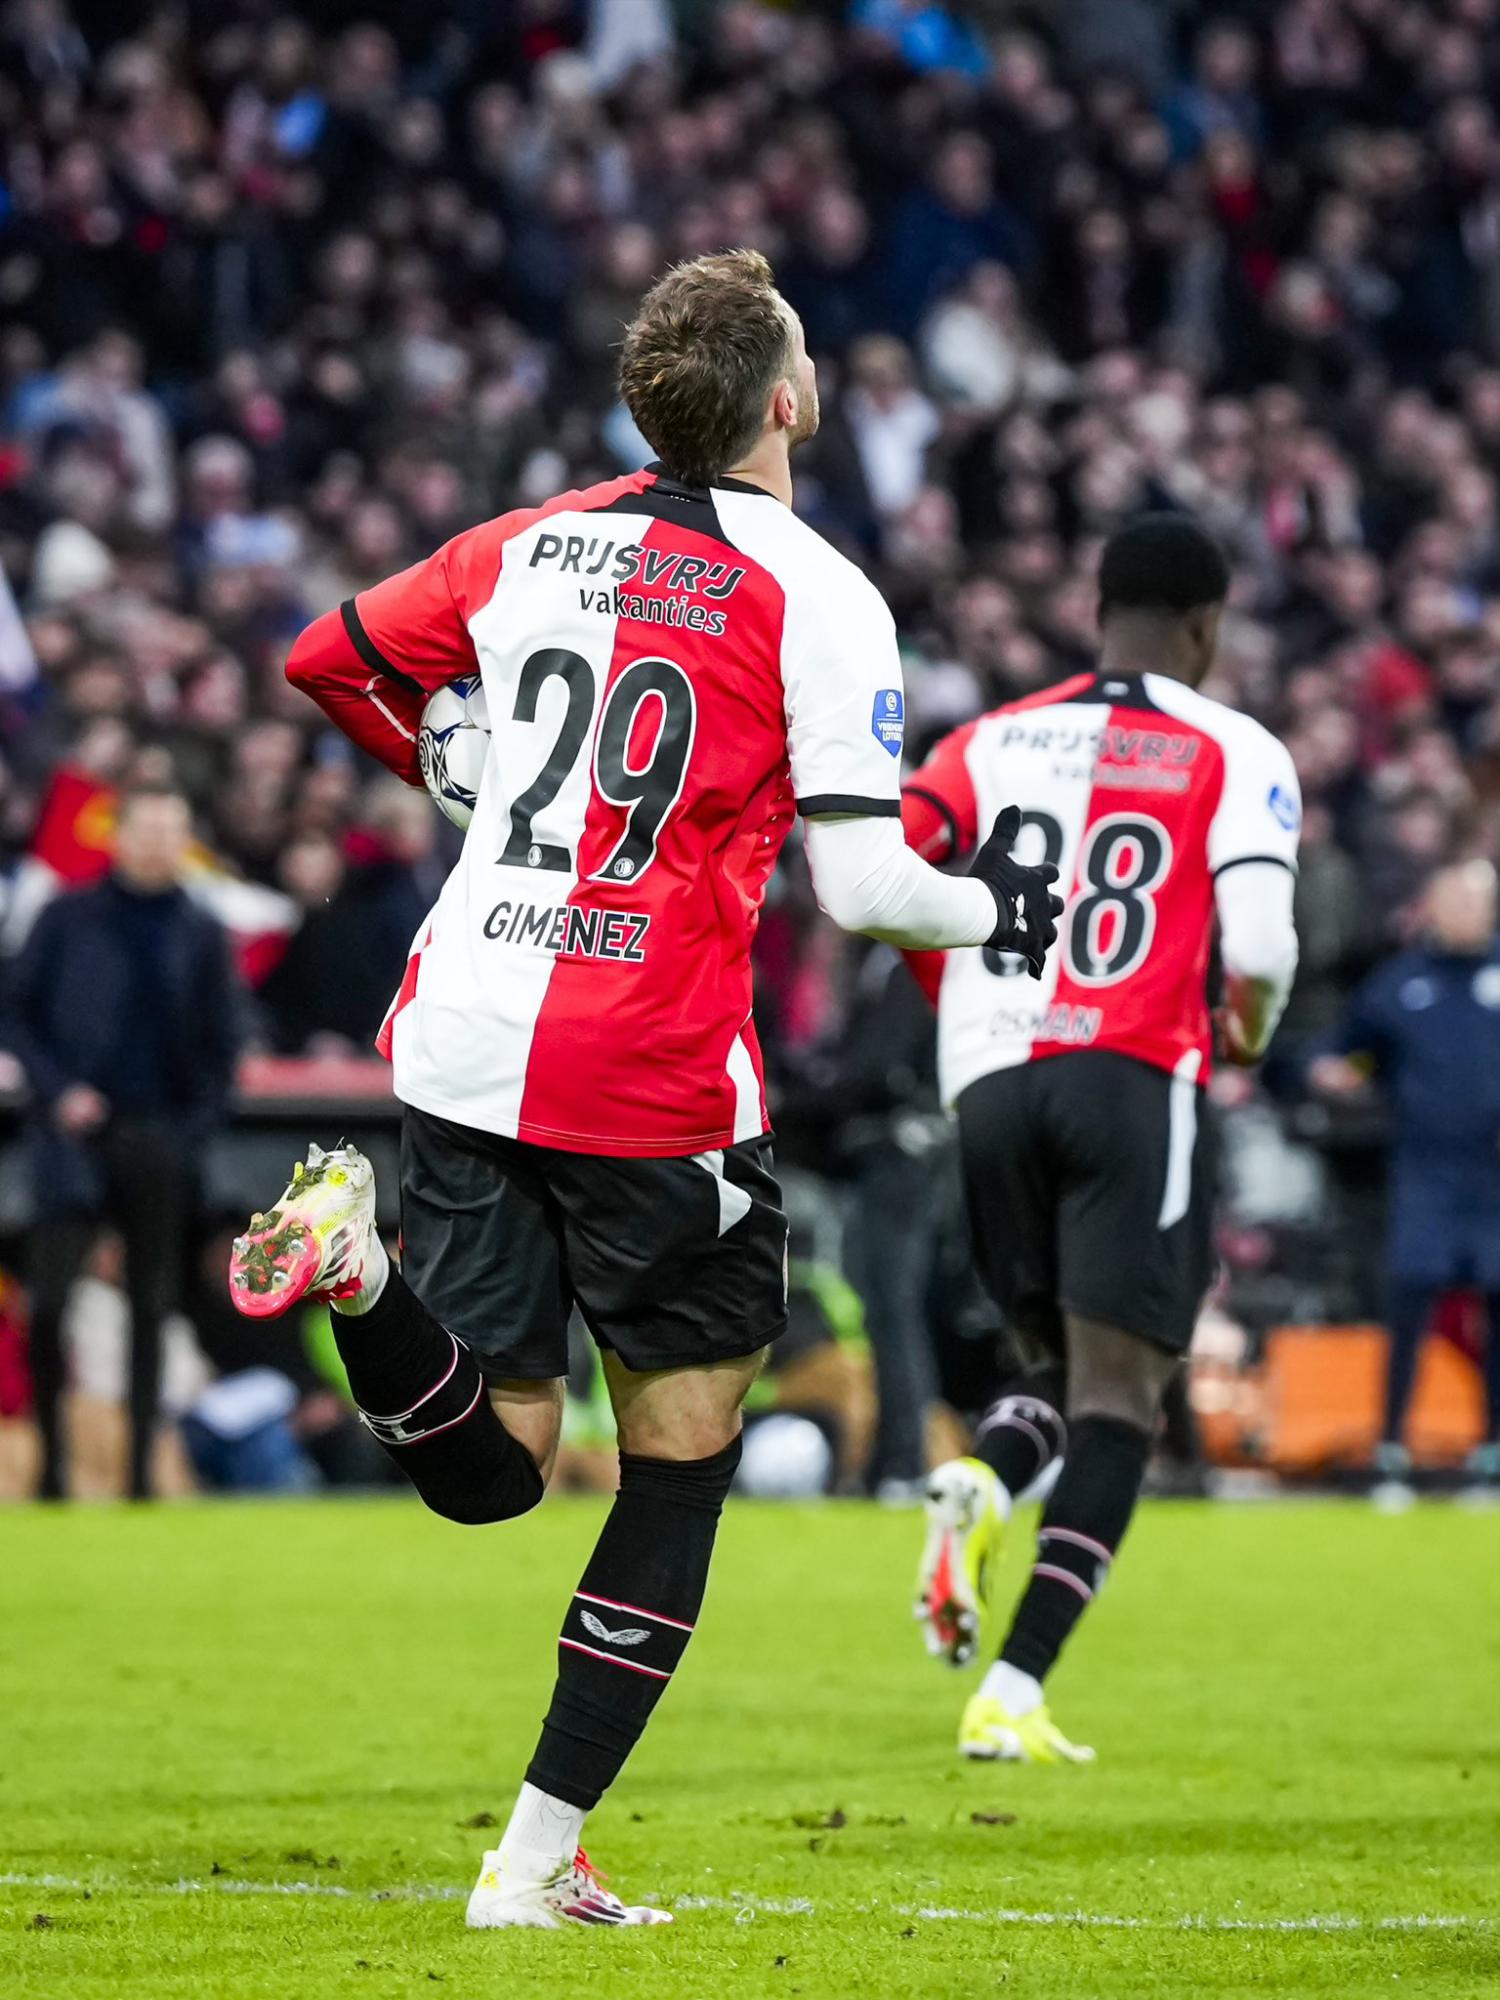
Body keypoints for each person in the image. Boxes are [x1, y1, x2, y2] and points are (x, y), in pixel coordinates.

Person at [224, 248, 1063, 1929]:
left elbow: (329, 655)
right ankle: (530, 1867)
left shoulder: (530, 540)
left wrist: (449, 758)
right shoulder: (817, 590)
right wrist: (1002, 912)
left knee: (494, 1464)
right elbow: (872, 890)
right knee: (676, 1468)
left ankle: (362, 1270)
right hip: (652, 1069)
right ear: (787, 400)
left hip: (465, 1029)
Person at [902, 514, 1301, 1764]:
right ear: (1209, 626)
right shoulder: (1233, 745)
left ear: (1094, 608)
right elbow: (1267, 950)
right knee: (1128, 1394)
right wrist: (1242, 1030)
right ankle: (1013, 1688)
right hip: (1131, 1069)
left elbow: (878, 868)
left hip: (991, 1077)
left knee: (1064, 1370)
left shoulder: (986, 738)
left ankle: (984, 1479)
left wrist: (956, 997)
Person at [9, 783, 242, 1499]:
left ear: (184, 841)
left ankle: (141, 1477)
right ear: (117, 835)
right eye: (143, 828)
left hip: (157, 1137)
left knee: (151, 1306)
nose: (155, 842)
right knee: (48, 1302)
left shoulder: (201, 929)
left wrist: (188, 1135)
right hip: (71, 1138)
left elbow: (222, 1048)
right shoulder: (66, 917)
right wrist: (57, 1093)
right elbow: (15, 1012)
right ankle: (52, 1469)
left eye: (170, 830)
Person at [1312, 860, 1500, 1500]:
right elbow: (1345, 1046)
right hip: (1424, 1171)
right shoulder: (1403, 983)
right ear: (1433, 905)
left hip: (1493, 1176)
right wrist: (1331, 1070)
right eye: (1457, 897)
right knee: (1409, 1308)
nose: (1469, 911)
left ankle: (1490, 1453)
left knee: (1494, 1314)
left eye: (1480, 899)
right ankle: (1391, 1447)